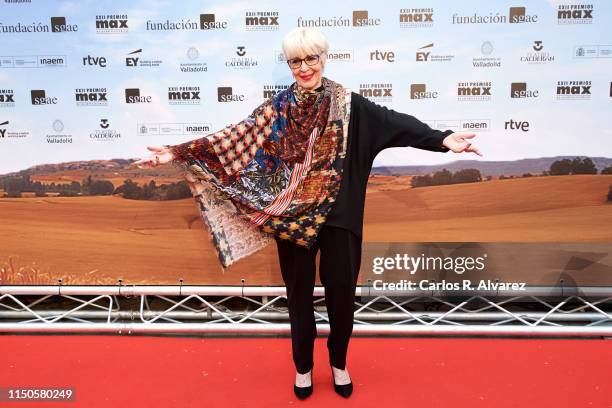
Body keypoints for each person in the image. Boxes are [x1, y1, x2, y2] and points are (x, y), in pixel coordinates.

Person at [133, 27, 482, 400]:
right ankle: (303, 368)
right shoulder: (277, 109)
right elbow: (233, 137)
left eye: (310, 58)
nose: (304, 68)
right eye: (295, 61)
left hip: (340, 218)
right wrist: (177, 152)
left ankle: (339, 363)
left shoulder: (351, 107)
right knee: (298, 297)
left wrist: (442, 139)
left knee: (342, 297)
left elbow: (396, 123)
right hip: (293, 219)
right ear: (289, 64)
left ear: (323, 57)